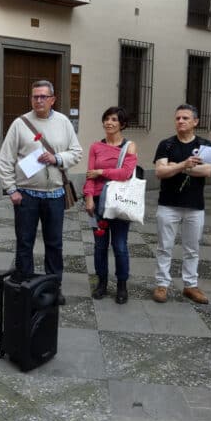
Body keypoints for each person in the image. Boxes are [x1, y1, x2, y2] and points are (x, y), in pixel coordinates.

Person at [0, 80, 82, 301]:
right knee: (25, 241)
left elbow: (77, 152)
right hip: (26, 194)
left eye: (43, 96)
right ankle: (24, 285)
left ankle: (54, 286)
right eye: (35, 96)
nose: (39, 100)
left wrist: (57, 158)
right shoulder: (20, 123)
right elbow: (5, 159)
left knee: (54, 243)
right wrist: (11, 189)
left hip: (55, 195)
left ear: (52, 99)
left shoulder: (63, 122)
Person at [152, 104, 211, 304]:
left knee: (192, 248)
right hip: (168, 204)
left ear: (195, 122)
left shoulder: (205, 145)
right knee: (164, 247)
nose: (180, 121)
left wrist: (175, 167)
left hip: (194, 205)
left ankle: (190, 285)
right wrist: (184, 165)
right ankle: (162, 284)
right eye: (178, 118)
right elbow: (160, 172)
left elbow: (207, 171)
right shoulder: (166, 145)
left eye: (185, 118)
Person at [83, 107, 137, 303]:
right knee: (99, 245)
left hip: (119, 201)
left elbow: (126, 173)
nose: (109, 122)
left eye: (114, 119)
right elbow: (89, 173)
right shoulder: (95, 146)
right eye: (106, 119)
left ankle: (121, 285)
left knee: (120, 245)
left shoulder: (129, 146)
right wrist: (88, 196)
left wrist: (101, 172)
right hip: (97, 202)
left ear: (122, 124)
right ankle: (102, 283)